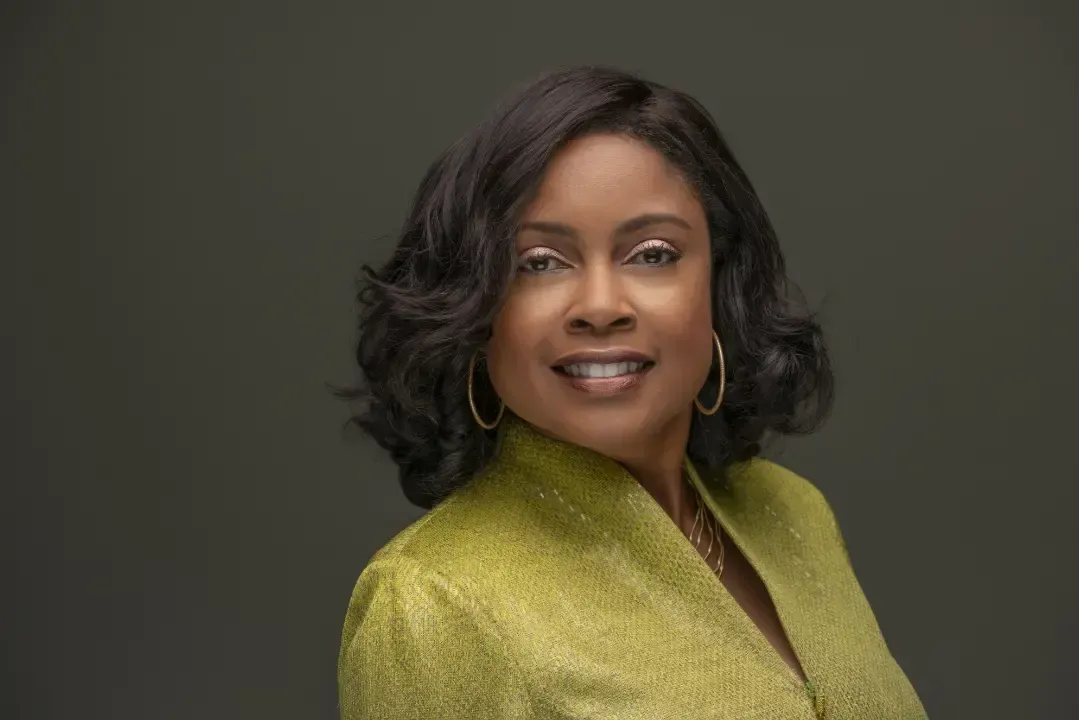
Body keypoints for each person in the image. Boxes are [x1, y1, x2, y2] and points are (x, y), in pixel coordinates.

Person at [334, 66, 927, 719]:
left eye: (650, 254)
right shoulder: (433, 601)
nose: (598, 306)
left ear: (718, 282)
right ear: (476, 312)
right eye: (538, 263)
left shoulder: (795, 515)